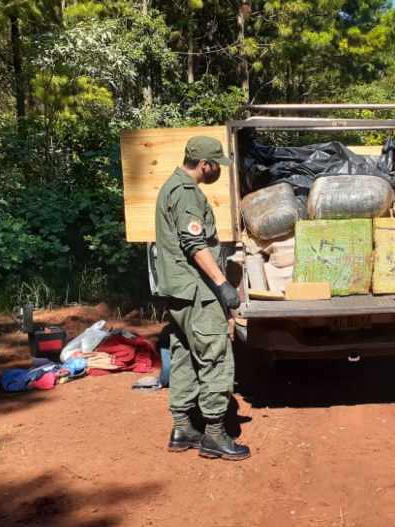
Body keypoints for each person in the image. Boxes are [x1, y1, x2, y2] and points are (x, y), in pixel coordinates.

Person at [155, 136, 249, 461]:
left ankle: (183, 429)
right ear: (204, 164)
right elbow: (194, 244)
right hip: (197, 293)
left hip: (179, 293)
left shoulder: (171, 186)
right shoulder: (186, 194)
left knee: (183, 356)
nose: (216, 172)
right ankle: (214, 434)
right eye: (215, 166)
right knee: (216, 357)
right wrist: (223, 284)